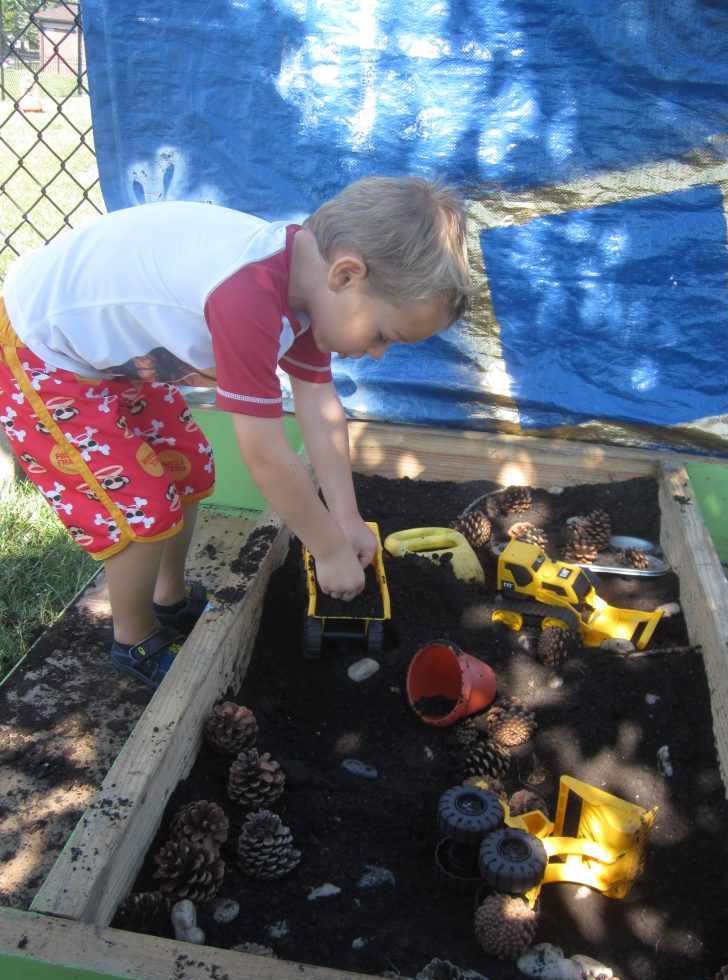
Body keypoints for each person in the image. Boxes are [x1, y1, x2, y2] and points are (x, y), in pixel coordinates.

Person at [0, 175, 472, 690]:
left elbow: (320, 406)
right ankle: (132, 637)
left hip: (112, 358)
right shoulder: (248, 296)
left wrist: (347, 517)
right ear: (346, 275)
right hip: (41, 353)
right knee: (142, 506)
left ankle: (170, 597)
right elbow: (266, 454)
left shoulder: (305, 283)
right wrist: (328, 550)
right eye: (383, 334)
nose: (379, 352)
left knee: (191, 467)